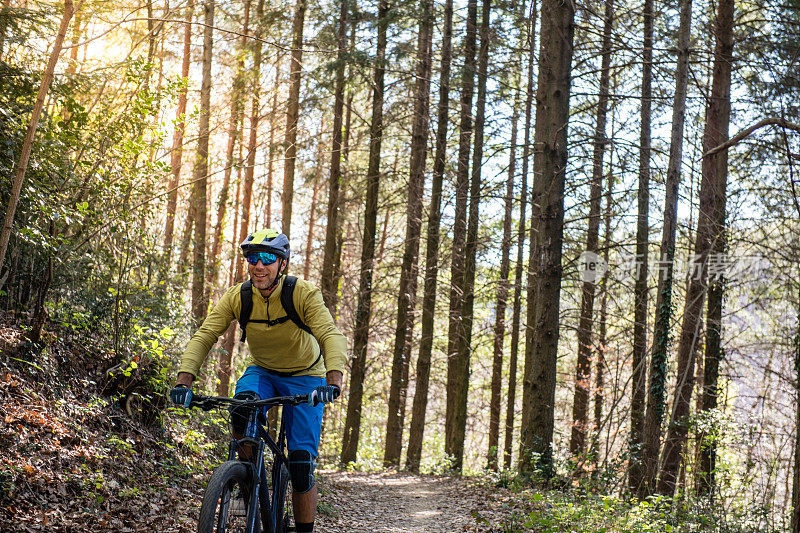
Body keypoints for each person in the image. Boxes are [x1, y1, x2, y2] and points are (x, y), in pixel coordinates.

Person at [169, 228, 346, 533]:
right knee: (241, 409)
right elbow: (205, 335)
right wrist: (184, 382)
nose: (259, 265)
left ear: (283, 264)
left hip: (306, 376)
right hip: (262, 371)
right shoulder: (239, 296)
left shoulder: (302, 293)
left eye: (268, 258)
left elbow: (330, 334)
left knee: (301, 465)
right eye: (253, 258)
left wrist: (333, 379)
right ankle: (246, 480)